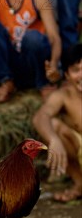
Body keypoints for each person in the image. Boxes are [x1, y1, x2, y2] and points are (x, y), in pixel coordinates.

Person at [32, 43, 82, 202]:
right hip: (79, 151)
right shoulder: (64, 95)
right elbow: (40, 116)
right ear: (66, 74)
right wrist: (53, 140)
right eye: (76, 70)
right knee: (52, 126)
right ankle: (80, 183)